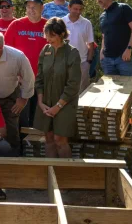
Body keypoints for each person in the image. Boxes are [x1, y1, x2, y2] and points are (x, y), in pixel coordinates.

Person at [35, 18, 81, 158]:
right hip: (46, 102)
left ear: (61, 34)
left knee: (60, 140)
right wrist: (41, 102)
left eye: (52, 35)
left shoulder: (72, 53)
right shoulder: (46, 50)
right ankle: (50, 172)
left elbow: (73, 84)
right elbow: (40, 77)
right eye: (47, 35)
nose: (48, 39)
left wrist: (58, 106)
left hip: (65, 103)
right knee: (48, 138)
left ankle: (65, 174)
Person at [4, 0, 48, 128]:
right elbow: (6, 51)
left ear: (42, 8)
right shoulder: (16, 25)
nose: (31, 10)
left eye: (34, 7)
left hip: (42, 79)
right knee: (21, 115)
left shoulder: (48, 26)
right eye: (28, 7)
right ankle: (21, 146)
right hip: (20, 80)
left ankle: (36, 146)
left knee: (39, 115)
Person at [96, 0, 132, 76]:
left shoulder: (123, 8)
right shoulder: (102, 16)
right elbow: (104, 35)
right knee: (110, 89)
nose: (98, 0)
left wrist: (129, 49)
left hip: (125, 58)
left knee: (129, 87)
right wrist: (101, 52)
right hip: (107, 59)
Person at [62, 0, 95, 92]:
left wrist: (88, 61)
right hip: (64, 61)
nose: (78, 11)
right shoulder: (61, 22)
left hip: (82, 61)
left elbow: (90, 43)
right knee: (65, 89)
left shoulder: (86, 23)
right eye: (75, 9)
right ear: (69, 7)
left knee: (82, 90)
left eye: (80, 9)